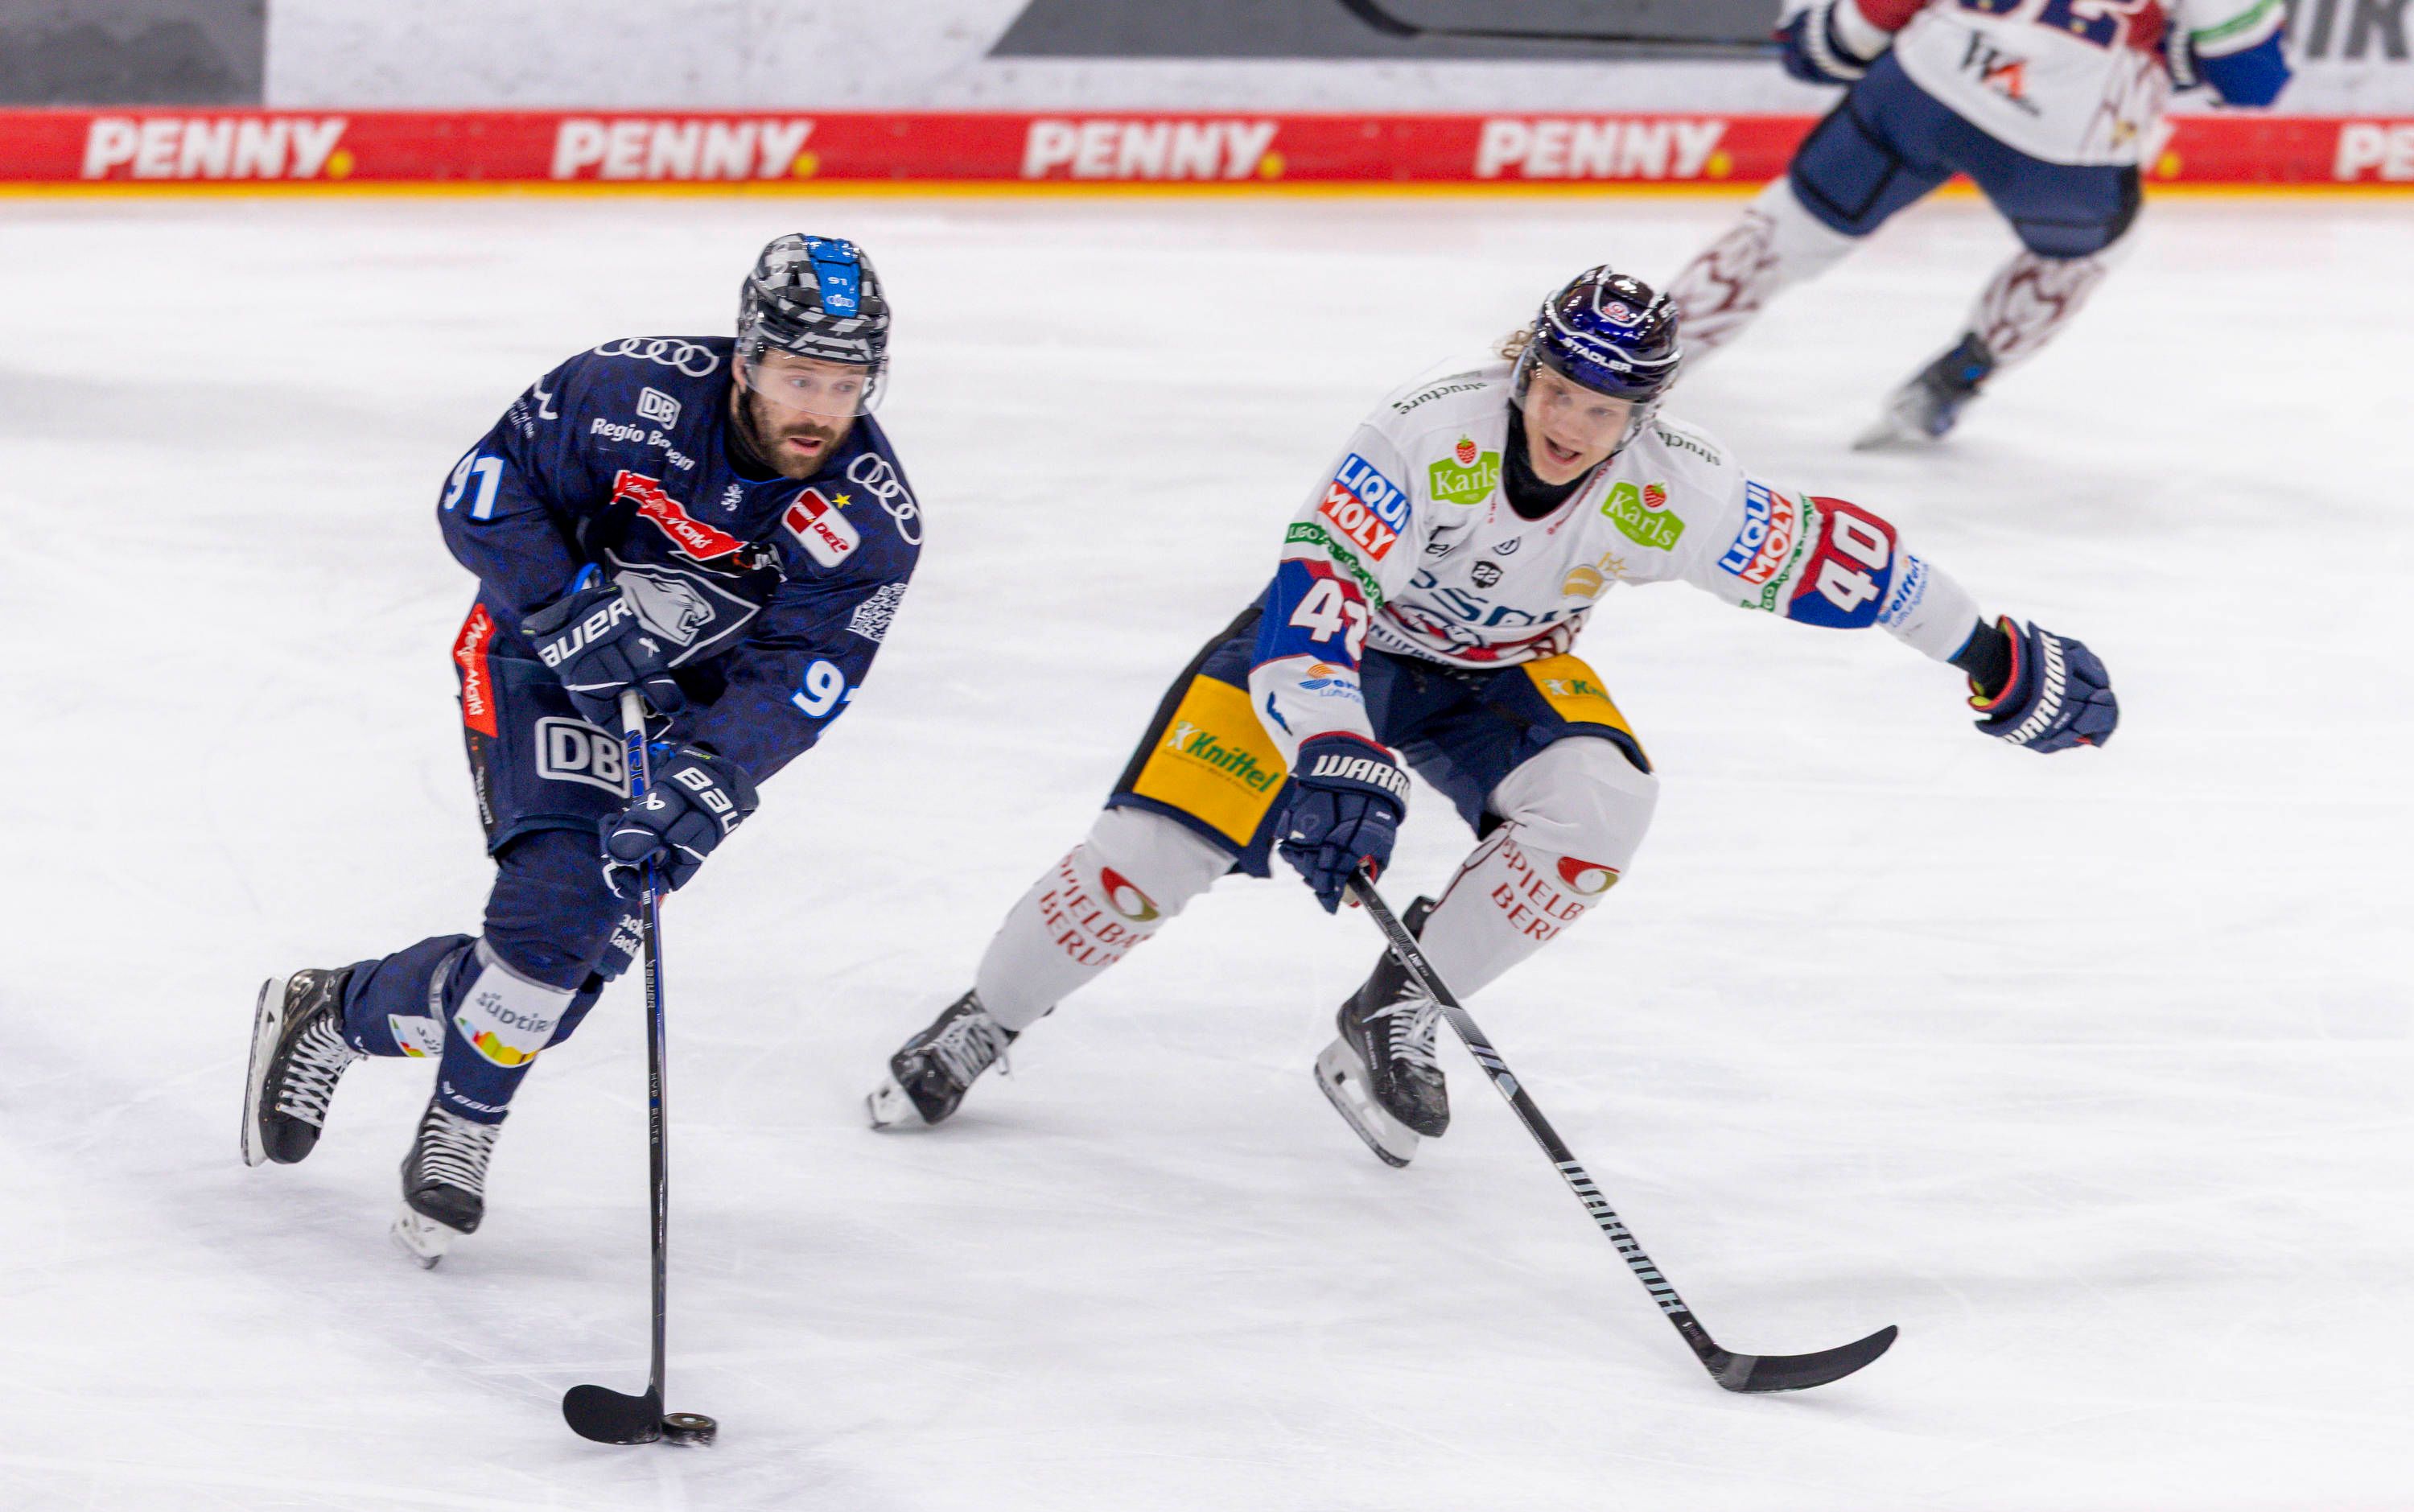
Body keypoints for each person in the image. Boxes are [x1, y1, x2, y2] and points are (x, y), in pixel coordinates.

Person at [869, 266, 2116, 1164]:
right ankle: (988, 1016)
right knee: (1148, 862)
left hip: (1494, 673)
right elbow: (1315, 603)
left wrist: (1989, 650)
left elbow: (1846, 565)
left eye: (1606, 411)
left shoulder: (1672, 490)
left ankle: (1399, 1004)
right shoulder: (1423, 432)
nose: (1574, 427)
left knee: (1603, 806)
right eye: (1560, 392)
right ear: (1527, 366)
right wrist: (1336, 747)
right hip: (1337, 651)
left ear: (1646, 414)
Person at [242, 234, 921, 1265]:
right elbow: (481, 488)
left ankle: (333, 1011)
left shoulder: (870, 517)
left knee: (546, 991)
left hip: (674, 717)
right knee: (555, 904)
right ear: (745, 360)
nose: (821, 408)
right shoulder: (627, 387)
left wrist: (714, 775)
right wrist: (563, 605)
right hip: (534, 659)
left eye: (845, 381)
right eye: (797, 377)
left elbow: (805, 673)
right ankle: (462, 1132)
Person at [1666, 0, 2291, 446]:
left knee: (1788, 230)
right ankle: (1952, 382)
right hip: (2067, 141)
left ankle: (1635, 359)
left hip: (1921, 83)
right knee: (2087, 252)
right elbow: (2253, 82)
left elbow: (1819, 47)